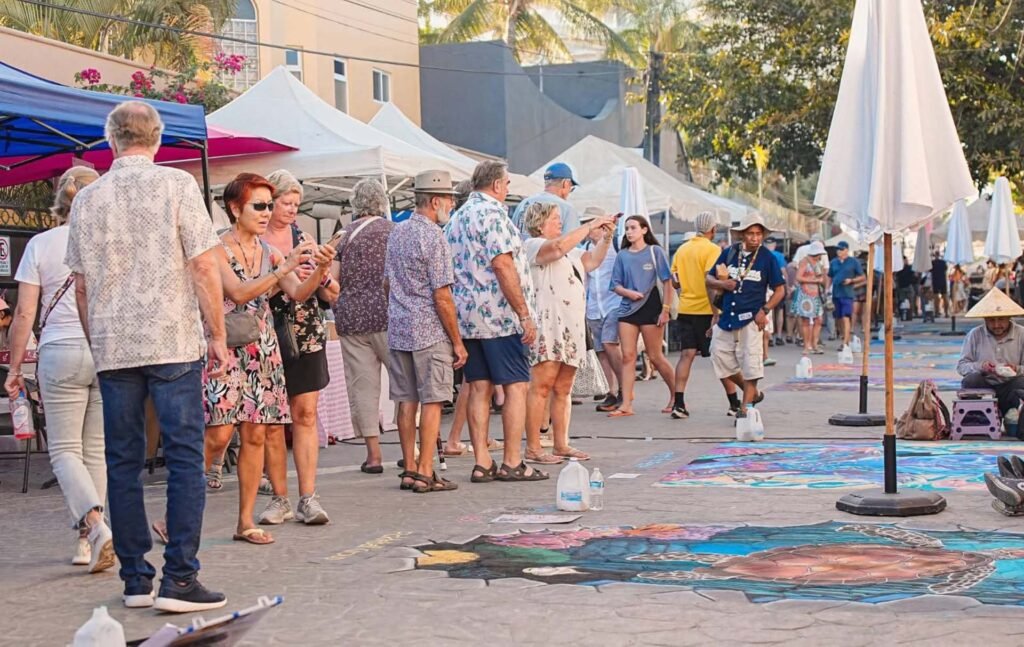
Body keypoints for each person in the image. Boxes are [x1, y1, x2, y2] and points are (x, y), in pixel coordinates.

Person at [65, 101, 228, 612]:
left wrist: (98, 339)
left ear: (110, 140)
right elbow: (204, 266)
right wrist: (218, 334)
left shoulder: (87, 199)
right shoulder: (177, 186)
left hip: (116, 343)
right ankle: (179, 577)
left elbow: (82, 286)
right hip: (172, 337)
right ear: (157, 139)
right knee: (182, 457)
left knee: (123, 460)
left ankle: (136, 579)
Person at [203, 173, 331, 546]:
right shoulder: (216, 249)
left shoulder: (270, 251)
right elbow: (240, 293)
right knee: (219, 435)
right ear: (235, 208)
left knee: (255, 434)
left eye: (268, 205)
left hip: (263, 350)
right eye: (258, 206)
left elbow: (297, 293)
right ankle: (178, 504)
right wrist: (282, 268)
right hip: (225, 350)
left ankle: (244, 521)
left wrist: (320, 268)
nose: (266, 212)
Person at [5, 167, 113, 573]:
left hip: (60, 350)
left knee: (65, 450)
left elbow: (24, 313)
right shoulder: (109, 244)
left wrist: (15, 367)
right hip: (103, 350)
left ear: (61, 200)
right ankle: (86, 540)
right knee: (95, 452)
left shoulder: (41, 244)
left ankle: (96, 528)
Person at [446, 160, 546, 483]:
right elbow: (503, 265)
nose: (509, 190)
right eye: (507, 183)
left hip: (468, 317)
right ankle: (513, 461)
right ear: (498, 185)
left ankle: (481, 461)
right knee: (516, 385)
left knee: (478, 387)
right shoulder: (493, 216)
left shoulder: (456, 218)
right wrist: (524, 314)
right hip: (499, 315)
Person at [256, 170, 339, 526]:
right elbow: (252, 290)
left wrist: (322, 271)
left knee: (305, 413)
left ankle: (308, 497)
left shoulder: (302, 237)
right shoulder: (255, 240)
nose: (291, 209)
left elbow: (326, 292)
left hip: (305, 332)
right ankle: (280, 497)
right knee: (274, 421)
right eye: (285, 203)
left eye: (295, 203)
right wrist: (286, 271)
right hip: (267, 332)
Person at [385, 170, 467, 493]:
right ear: (435, 201)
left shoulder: (397, 232)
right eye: (448, 200)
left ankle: (408, 468)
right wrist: (458, 341)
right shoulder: (435, 237)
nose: (450, 206)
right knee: (433, 400)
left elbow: (387, 283)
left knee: (406, 401)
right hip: (429, 330)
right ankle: (425, 470)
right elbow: (442, 296)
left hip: (400, 327)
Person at [521, 202, 615, 463]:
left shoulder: (572, 254)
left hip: (571, 328)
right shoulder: (532, 245)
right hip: (548, 326)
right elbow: (557, 247)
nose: (559, 223)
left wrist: (607, 237)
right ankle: (533, 447)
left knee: (564, 388)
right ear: (539, 223)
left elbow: (593, 260)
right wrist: (589, 227)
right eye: (554, 218)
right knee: (541, 386)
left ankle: (561, 443)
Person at [330, 179, 395, 474]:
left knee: (363, 387)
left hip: (352, 320)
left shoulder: (342, 237)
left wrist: (339, 305)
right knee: (405, 383)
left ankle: (374, 455)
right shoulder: (393, 232)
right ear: (382, 202)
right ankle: (413, 448)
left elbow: (332, 282)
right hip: (389, 317)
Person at [705, 214, 786, 418]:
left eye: (758, 234)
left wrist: (765, 310)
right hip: (727, 317)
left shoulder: (767, 258)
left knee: (751, 364)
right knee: (718, 355)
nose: (755, 238)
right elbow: (708, 277)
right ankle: (753, 394)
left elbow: (780, 290)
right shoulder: (729, 253)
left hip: (751, 317)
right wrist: (723, 284)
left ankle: (745, 408)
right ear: (742, 235)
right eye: (750, 233)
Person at [670, 212, 741, 418]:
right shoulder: (713, 250)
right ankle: (734, 402)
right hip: (705, 310)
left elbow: (675, 281)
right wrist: (715, 312)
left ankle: (679, 404)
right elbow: (711, 283)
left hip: (685, 308)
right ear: (713, 229)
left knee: (686, 355)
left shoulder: (682, 250)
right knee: (720, 357)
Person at [608, 215, 675, 417]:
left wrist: (665, 310)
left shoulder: (655, 252)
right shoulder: (622, 255)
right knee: (627, 356)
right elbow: (615, 284)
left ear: (645, 230)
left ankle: (676, 395)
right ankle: (626, 403)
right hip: (628, 308)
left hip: (652, 307)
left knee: (655, 356)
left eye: (633, 227)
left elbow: (667, 282)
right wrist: (629, 293)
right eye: (626, 228)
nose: (629, 232)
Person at [957, 289, 1024, 418]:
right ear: (985, 319)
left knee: (1022, 382)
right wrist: (981, 366)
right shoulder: (974, 335)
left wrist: (1016, 369)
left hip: (1011, 387)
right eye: (991, 320)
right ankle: (978, 415)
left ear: (1009, 318)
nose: (997, 325)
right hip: (985, 386)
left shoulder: (1022, 334)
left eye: (1001, 319)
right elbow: (962, 366)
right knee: (970, 380)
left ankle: (1015, 417)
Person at [583, 208, 624, 412]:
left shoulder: (615, 245)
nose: (589, 229)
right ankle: (611, 392)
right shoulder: (583, 248)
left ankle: (625, 388)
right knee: (601, 351)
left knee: (610, 344)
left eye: (592, 223)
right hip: (593, 307)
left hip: (614, 303)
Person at [510, 162, 581, 236]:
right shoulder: (567, 208)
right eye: (571, 188)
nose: (569, 192)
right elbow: (572, 243)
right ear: (565, 183)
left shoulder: (523, 203)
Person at [828, 241, 865, 348]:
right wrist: (827, 289)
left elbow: (862, 277)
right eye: (838, 249)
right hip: (836, 293)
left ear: (846, 250)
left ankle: (845, 342)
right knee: (838, 318)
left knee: (846, 316)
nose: (838, 251)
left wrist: (851, 280)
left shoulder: (853, 262)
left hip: (848, 293)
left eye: (841, 249)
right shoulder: (834, 262)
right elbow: (830, 276)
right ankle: (844, 336)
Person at [794, 241, 828, 354]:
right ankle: (807, 345)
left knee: (818, 320)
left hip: (816, 293)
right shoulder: (805, 261)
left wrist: (821, 281)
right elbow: (798, 277)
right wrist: (813, 280)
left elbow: (821, 277)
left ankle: (814, 344)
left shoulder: (818, 262)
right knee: (806, 320)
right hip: (805, 294)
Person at [764, 237, 788, 346]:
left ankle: (769, 335)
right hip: (778, 284)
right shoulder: (779, 255)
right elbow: (783, 271)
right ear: (774, 245)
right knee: (780, 310)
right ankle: (778, 335)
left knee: (769, 309)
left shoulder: (761, 254)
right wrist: (787, 285)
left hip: (766, 285)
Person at [932, 252, 949, 317]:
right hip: (942, 281)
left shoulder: (933, 263)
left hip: (935, 281)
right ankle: (946, 313)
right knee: (945, 297)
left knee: (936, 298)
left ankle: (936, 312)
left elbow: (930, 270)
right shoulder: (943, 262)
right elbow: (945, 269)